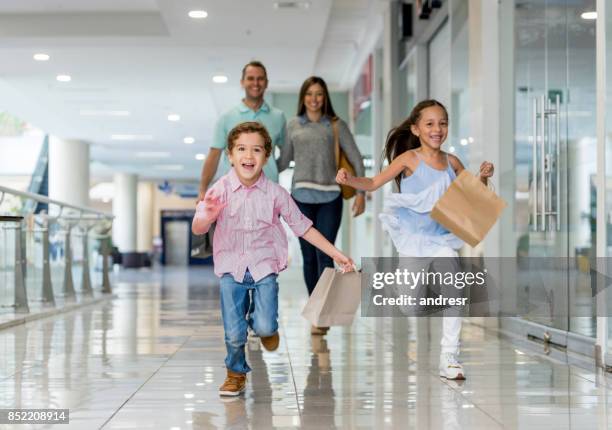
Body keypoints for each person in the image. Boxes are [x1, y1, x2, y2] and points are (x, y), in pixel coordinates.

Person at [192, 121, 354, 397]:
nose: (248, 156)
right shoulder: (219, 190)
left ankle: (263, 327)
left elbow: (304, 227)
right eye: (241, 149)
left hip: (264, 266)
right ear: (230, 155)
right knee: (233, 332)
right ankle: (235, 372)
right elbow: (199, 229)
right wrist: (204, 216)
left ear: (266, 157)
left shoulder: (276, 194)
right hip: (231, 268)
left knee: (266, 324)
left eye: (256, 150)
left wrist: (336, 254)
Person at [336, 99, 494, 380]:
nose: (437, 129)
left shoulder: (452, 162)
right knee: (410, 305)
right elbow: (373, 183)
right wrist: (350, 180)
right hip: (413, 241)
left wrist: (481, 177)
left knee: (455, 289)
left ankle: (450, 358)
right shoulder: (408, 159)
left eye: (443, 123)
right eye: (430, 124)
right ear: (416, 129)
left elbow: (472, 196)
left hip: (442, 239)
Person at [277, 76, 365, 335]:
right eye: (309, 94)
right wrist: (257, 164)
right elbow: (283, 162)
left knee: (325, 255)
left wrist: (361, 193)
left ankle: (323, 312)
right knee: (308, 257)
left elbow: (356, 158)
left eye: (319, 94)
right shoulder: (293, 125)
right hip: (301, 197)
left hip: (330, 197)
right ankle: (317, 311)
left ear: (324, 97)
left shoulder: (335, 125)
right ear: (303, 98)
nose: (314, 99)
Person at [198, 60, 286, 200]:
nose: (255, 83)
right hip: (233, 192)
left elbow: (285, 154)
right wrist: (202, 190)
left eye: (260, 79)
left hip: (269, 192)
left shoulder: (278, 117)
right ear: (242, 82)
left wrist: (270, 168)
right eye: (250, 78)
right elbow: (214, 156)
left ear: (266, 82)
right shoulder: (226, 117)